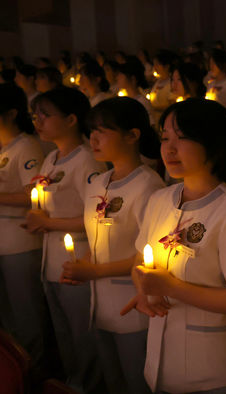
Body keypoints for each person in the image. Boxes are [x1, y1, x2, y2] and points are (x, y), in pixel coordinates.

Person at [122, 98, 226, 393]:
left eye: (183, 138)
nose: (169, 149)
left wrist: (171, 287)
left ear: (213, 144)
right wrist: (143, 288)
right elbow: (140, 259)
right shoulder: (161, 199)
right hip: (162, 356)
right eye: (165, 138)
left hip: (213, 369)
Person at [59, 97, 163, 393]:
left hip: (133, 302)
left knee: (135, 381)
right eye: (91, 130)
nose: (93, 138)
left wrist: (94, 271)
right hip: (99, 302)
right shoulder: (98, 181)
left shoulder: (148, 185)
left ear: (132, 135)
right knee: (112, 380)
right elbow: (96, 239)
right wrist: (85, 263)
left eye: (103, 131)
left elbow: (145, 254)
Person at [25, 87, 106, 392]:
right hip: (52, 261)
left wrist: (48, 222)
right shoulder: (52, 159)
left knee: (83, 334)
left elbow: (94, 218)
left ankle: (87, 385)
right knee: (65, 335)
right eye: (36, 114)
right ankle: (72, 382)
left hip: (77, 262)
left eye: (45, 115)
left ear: (72, 119)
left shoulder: (86, 160)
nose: (38, 120)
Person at [0, 83, 50, 379]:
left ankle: (34, 373)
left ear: (11, 113)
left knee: (26, 312)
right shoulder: (5, 148)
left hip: (21, 242)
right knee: (8, 314)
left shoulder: (26, 146)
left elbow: (35, 195)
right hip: (4, 242)